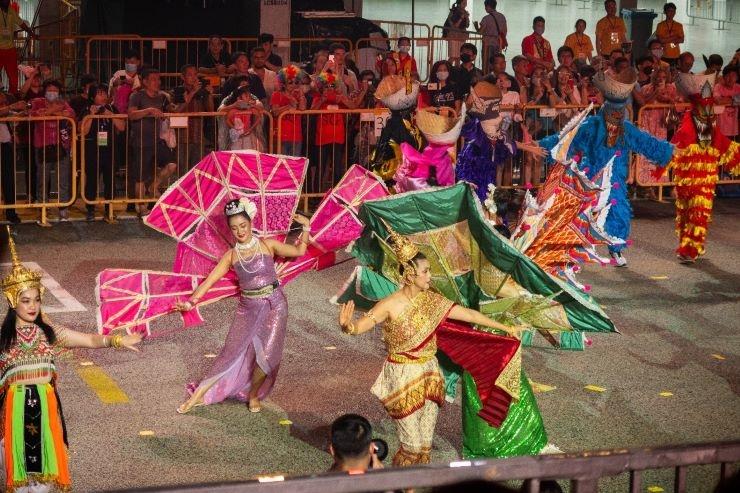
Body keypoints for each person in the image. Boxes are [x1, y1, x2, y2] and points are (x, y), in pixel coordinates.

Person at [338, 229, 523, 466]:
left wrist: (504, 328)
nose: (429, 277)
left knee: (424, 447)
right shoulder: (390, 304)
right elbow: (362, 324)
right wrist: (348, 327)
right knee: (411, 447)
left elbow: (467, 314)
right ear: (409, 273)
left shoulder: (432, 301)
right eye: (425, 272)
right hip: (403, 377)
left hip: (429, 372)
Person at [0, 227, 141, 492]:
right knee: (19, 481)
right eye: (26, 301)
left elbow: (88, 340)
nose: (32, 306)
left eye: (37, 300)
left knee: (44, 484)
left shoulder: (48, 332)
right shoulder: (3, 340)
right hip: (14, 414)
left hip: (45, 409)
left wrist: (117, 340)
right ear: (12, 302)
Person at [175, 198, 310, 413]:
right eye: (235, 228)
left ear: (251, 223)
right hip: (247, 307)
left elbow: (300, 252)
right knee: (230, 352)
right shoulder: (230, 256)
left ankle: (254, 394)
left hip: (275, 305)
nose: (240, 231)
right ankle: (195, 399)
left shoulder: (268, 244)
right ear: (230, 230)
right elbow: (209, 282)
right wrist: (191, 302)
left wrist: (306, 227)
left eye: (243, 226)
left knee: (267, 353)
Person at [537, 68, 675, 267]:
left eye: (620, 114)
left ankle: (616, 249)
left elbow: (647, 143)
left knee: (617, 211)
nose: (616, 118)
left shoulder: (627, 130)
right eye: (613, 113)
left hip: (615, 181)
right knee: (578, 212)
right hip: (590, 177)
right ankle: (569, 250)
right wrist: (542, 145)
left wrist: (671, 151)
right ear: (605, 110)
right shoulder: (592, 125)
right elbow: (567, 137)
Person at [658, 73, 740, 263]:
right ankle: (689, 246)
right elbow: (675, 147)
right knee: (686, 214)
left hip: (705, 181)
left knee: (698, 213)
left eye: (710, 110)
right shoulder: (687, 126)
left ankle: (691, 249)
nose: (708, 114)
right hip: (686, 180)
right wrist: (662, 167)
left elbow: (726, 147)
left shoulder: (711, 128)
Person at [127, 68, 177, 217]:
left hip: (157, 140)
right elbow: (131, 115)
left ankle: (153, 186)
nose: (158, 82)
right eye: (154, 79)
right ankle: (141, 207)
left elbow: (171, 110)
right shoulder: (137, 96)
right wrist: (148, 110)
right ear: (145, 82)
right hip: (140, 141)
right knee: (140, 177)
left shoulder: (162, 97)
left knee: (171, 165)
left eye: (159, 79)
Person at [29, 80, 75, 223]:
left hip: (61, 145)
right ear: (45, 91)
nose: (52, 93)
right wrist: (56, 111)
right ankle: (43, 208)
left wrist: (52, 112)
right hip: (42, 145)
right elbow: (34, 116)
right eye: (50, 89)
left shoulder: (63, 102)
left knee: (63, 179)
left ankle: (63, 209)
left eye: (55, 90)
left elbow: (71, 114)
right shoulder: (37, 102)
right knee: (43, 178)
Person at [81, 84, 126, 221]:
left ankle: (109, 209)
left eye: (104, 93)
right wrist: (91, 115)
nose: (103, 96)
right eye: (99, 93)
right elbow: (83, 131)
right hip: (93, 150)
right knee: (92, 181)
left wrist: (110, 115)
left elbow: (122, 127)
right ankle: (90, 209)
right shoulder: (87, 109)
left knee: (110, 180)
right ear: (92, 96)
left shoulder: (112, 108)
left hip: (110, 150)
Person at [634, 67, 679, 187]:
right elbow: (644, 103)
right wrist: (655, 93)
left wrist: (665, 96)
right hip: (646, 122)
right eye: (658, 77)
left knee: (659, 151)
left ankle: (659, 183)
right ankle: (645, 184)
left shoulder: (671, 88)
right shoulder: (646, 88)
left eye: (664, 77)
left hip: (660, 124)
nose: (661, 80)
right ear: (653, 77)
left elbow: (674, 102)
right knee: (645, 151)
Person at [310, 71, 354, 190]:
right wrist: (322, 100)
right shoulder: (317, 98)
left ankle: (336, 195)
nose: (329, 88)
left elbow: (354, 107)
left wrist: (343, 100)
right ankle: (316, 197)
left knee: (337, 168)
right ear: (321, 87)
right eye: (326, 86)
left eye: (332, 86)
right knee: (321, 168)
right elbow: (311, 111)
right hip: (321, 139)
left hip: (338, 138)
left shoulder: (340, 97)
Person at [171, 64, 215, 169]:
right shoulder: (177, 91)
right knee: (181, 171)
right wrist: (193, 92)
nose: (194, 77)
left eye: (195, 74)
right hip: (181, 137)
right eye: (190, 75)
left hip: (198, 136)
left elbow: (210, 110)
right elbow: (176, 111)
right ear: (182, 77)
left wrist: (209, 95)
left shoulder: (202, 91)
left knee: (196, 170)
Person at [0, 94, 26, 224]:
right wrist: (12, 106)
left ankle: (10, 211)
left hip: (5, 145)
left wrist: (24, 112)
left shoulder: (5, 98)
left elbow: (12, 114)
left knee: (9, 179)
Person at [0, 0, 36, 93]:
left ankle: (12, 97)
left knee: (13, 78)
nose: (6, 1)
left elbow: (21, 23)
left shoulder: (11, 11)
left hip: (10, 49)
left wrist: (31, 33)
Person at [271, 65, 307, 157]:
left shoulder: (298, 95)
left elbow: (302, 108)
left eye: (296, 82)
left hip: (296, 136)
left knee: (294, 165)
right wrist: (288, 106)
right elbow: (275, 112)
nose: (294, 84)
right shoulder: (276, 94)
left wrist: (302, 94)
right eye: (290, 82)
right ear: (283, 83)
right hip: (281, 136)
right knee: (282, 164)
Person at [224, 86, 265, 152]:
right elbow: (227, 119)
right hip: (237, 137)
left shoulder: (250, 109)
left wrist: (251, 128)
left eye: (249, 96)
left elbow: (259, 116)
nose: (249, 98)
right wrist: (234, 128)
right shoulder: (234, 110)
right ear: (239, 98)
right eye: (246, 96)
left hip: (248, 135)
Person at [474, 0, 507, 72]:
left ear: (488, 7)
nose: (485, 8)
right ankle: (497, 77)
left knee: (487, 64)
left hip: (488, 44)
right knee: (497, 63)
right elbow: (504, 31)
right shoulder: (502, 17)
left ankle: (487, 79)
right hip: (499, 44)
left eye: (485, 7)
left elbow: (480, 32)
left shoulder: (486, 18)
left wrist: (476, 27)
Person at [713, 66, 739, 139]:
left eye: (733, 75)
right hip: (721, 129)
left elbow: (722, 100)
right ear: (723, 77)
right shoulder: (718, 87)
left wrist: (726, 99)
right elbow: (718, 101)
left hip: (735, 129)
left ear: (737, 77)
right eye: (728, 75)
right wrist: (735, 99)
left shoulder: (738, 87)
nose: (730, 78)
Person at [655, 3, 684, 67]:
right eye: (669, 11)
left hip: (676, 55)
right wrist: (674, 37)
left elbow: (682, 40)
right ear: (665, 12)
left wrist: (666, 39)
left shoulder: (679, 25)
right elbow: (661, 41)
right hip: (664, 55)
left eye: (673, 11)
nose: (671, 13)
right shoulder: (660, 25)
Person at [443, 1, 470, 65]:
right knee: (452, 56)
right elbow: (454, 26)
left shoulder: (465, 12)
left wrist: (467, 18)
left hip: (461, 36)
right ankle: (447, 70)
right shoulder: (453, 11)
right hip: (453, 35)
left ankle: (456, 72)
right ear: (459, 3)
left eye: (466, 2)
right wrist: (462, 17)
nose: (465, 4)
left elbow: (467, 25)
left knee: (459, 57)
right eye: (464, 2)